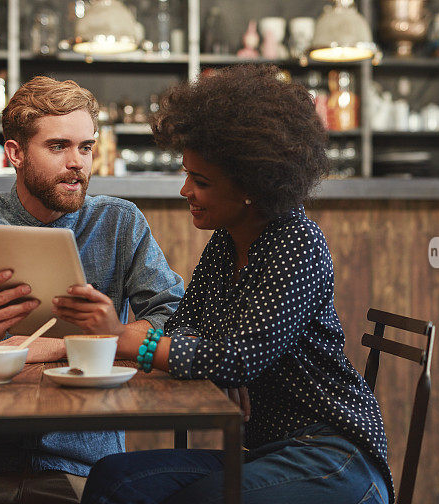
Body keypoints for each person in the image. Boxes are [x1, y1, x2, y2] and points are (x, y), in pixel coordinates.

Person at [80, 65, 395, 504]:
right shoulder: (226, 243)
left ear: (252, 184)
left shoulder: (297, 244)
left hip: (333, 456)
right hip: (269, 451)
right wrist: (210, 360)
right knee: (114, 479)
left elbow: (238, 358)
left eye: (202, 181)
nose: (184, 190)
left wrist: (127, 339)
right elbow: (186, 327)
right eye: (187, 173)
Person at [0, 76, 184, 504]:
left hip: (83, 459)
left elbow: (174, 316)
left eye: (86, 147)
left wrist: (53, 346)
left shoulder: (119, 221)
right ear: (16, 153)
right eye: (58, 146)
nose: (77, 162)